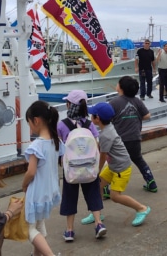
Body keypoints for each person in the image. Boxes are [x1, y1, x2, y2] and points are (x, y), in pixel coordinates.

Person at [86, 102, 151, 227]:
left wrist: (97, 170)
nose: (90, 117)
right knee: (97, 185)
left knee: (115, 196)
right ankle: (97, 213)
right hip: (114, 165)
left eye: (92, 115)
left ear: (97, 118)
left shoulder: (105, 135)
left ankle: (142, 208)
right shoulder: (107, 127)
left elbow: (102, 156)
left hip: (121, 168)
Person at [57, 90, 105, 242]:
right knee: (93, 193)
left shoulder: (62, 125)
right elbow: (96, 146)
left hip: (71, 168)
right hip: (89, 167)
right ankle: (99, 224)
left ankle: (70, 231)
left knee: (70, 196)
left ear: (69, 105)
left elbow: (59, 148)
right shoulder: (89, 124)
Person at [22, 101, 63, 256]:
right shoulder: (55, 141)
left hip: (37, 191)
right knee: (39, 223)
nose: (30, 126)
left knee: (29, 229)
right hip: (50, 189)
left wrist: (23, 184)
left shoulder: (36, 145)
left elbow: (31, 172)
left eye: (29, 123)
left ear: (36, 120)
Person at [109, 76, 157, 193]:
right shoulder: (137, 101)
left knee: (113, 161)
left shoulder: (114, 102)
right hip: (135, 137)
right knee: (138, 159)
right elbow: (147, 115)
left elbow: (107, 117)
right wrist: (136, 117)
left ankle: (105, 188)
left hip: (119, 140)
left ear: (121, 88)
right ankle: (151, 182)